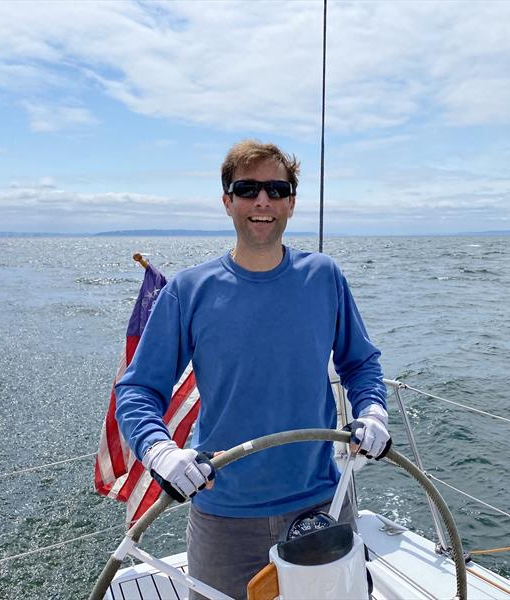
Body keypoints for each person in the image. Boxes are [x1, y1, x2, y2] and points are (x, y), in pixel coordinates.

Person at [115, 140, 389, 599]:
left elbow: (360, 363)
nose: (263, 201)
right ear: (227, 201)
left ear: (292, 203)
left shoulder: (325, 277)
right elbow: (138, 389)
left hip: (323, 503)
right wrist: (162, 452)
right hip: (224, 518)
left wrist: (374, 410)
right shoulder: (188, 291)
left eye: (277, 189)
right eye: (247, 189)